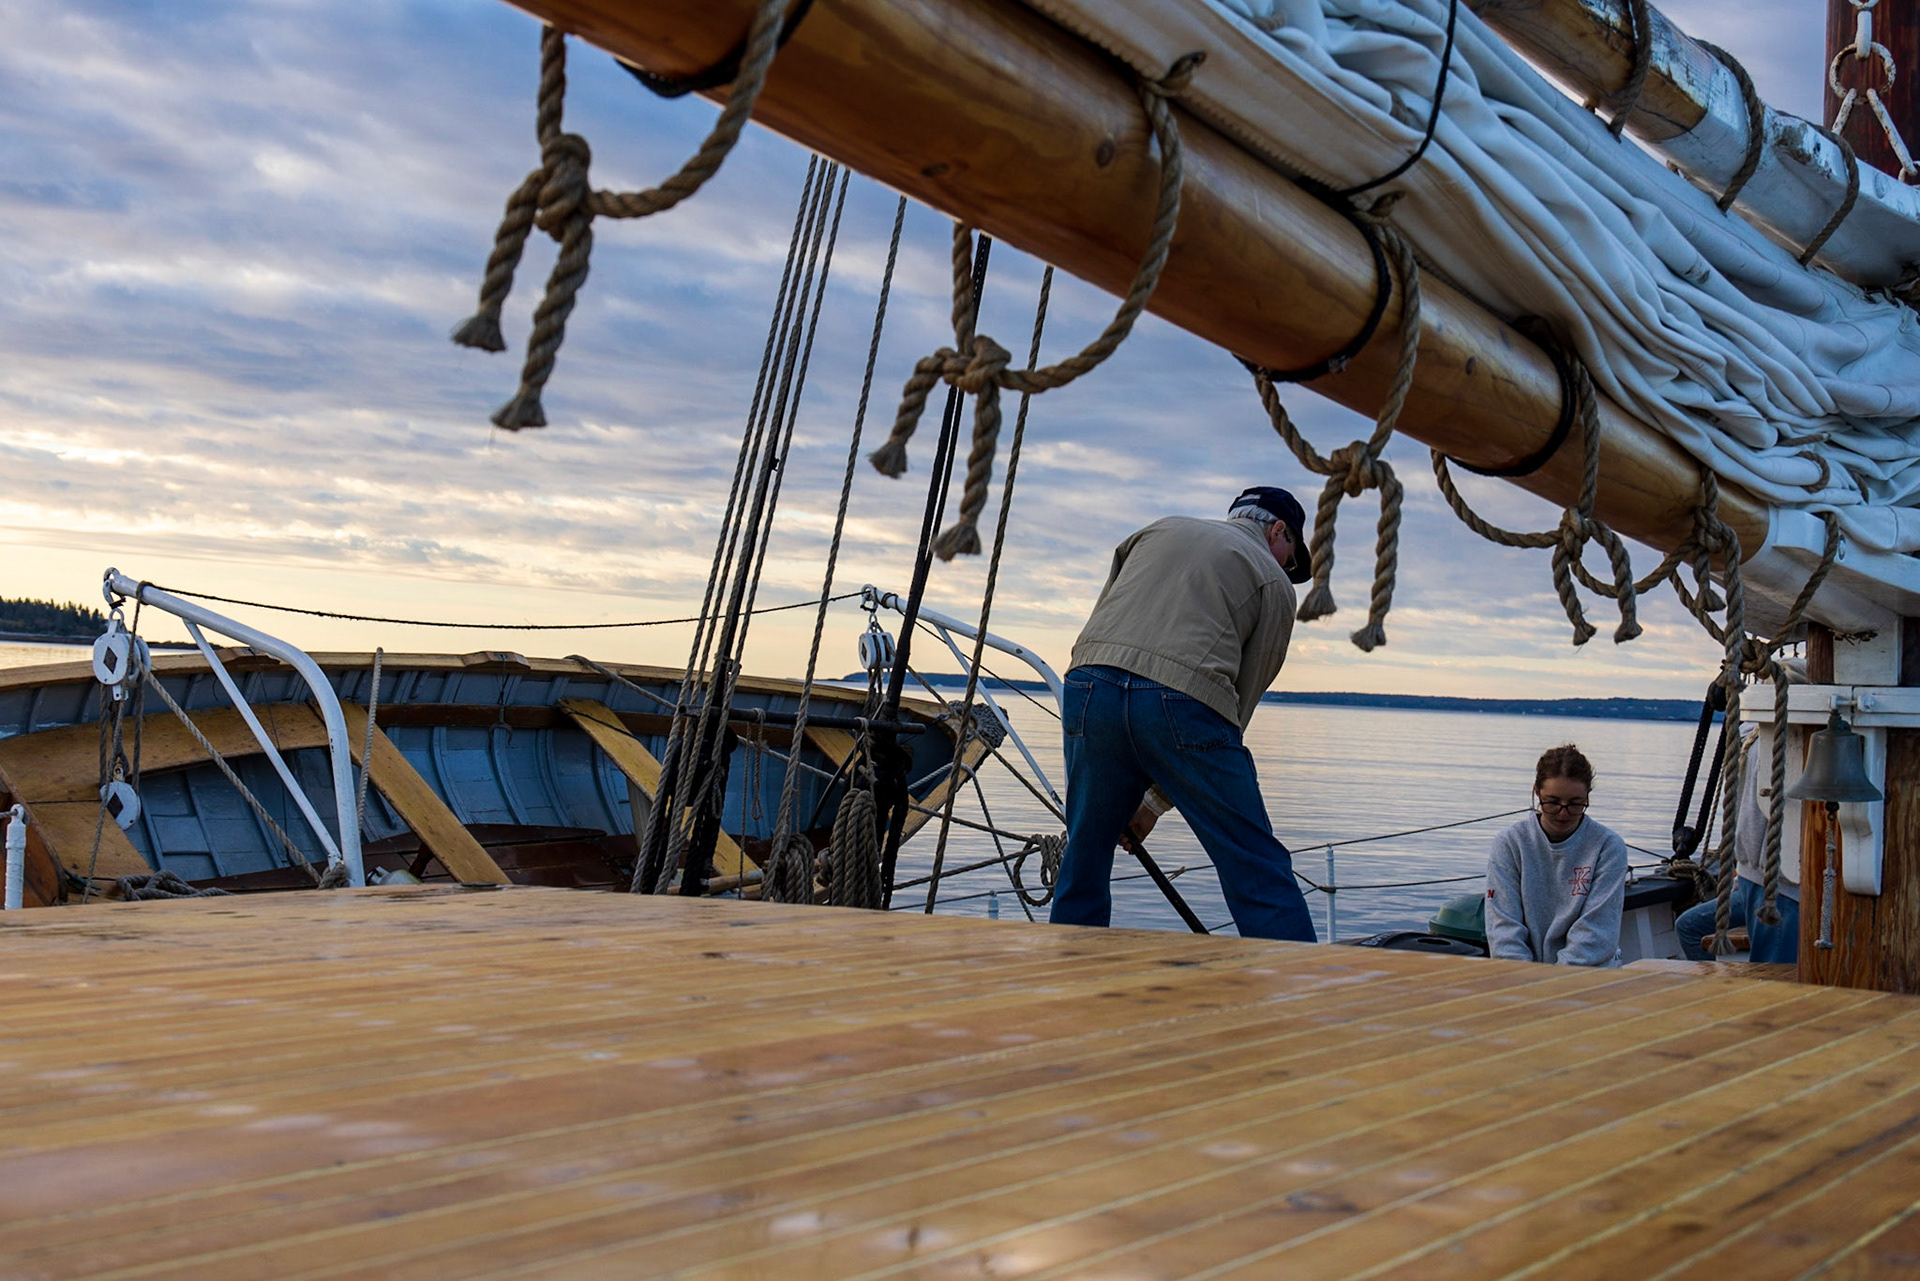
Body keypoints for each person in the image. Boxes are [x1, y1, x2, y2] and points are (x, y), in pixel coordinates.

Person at [1049, 487, 1317, 941]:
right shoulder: (1271, 581)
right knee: (1253, 863)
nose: (1287, 570)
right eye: (1291, 559)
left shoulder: (1158, 530)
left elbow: (1100, 621)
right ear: (1278, 531)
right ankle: (1295, 987)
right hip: (1183, 702)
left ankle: (1070, 974)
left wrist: (1138, 794)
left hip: (1089, 685)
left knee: (1085, 855)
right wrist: (1153, 803)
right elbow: (1239, 702)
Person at [1485, 744, 1628, 966]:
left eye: (1575, 804)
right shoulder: (1510, 843)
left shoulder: (1608, 847)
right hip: (1521, 975)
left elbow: (1597, 931)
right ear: (1537, 792)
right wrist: (1522, 976)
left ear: (1587, 798)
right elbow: (1504, 926)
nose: (1563, 813)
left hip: (1589, 974)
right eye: (1552, 802)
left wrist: (1555, 980)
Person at [1674, 717, 1803, 964]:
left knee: (1772, 981)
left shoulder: (1780, 738)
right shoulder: (1754, 737)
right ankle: (1722, 993)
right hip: (1751, 880)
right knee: (1688, 927)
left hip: (1783, 886)